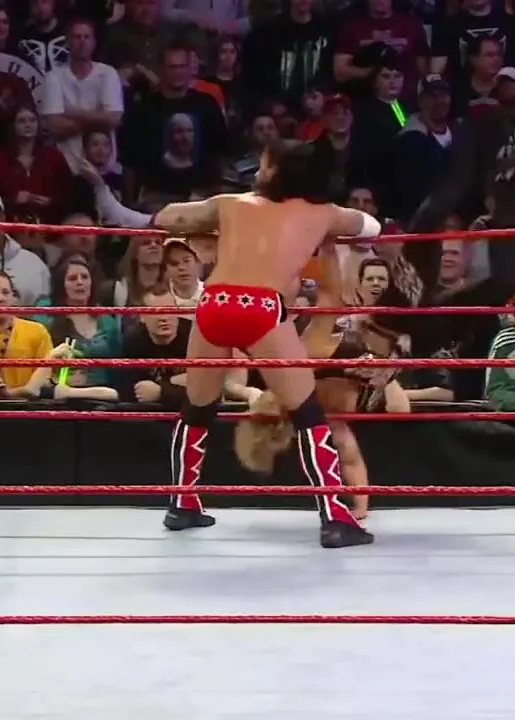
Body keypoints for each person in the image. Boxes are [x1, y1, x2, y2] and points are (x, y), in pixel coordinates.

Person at [153, 139, 380, 548]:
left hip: (214, 301)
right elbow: (371, 227)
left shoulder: (230, 204)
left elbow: (168, 217)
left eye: (263, 162)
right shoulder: (323, 213)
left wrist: (210, 221)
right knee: (308, 414)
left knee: (197, 409)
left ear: (276, 170)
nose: (257, 169)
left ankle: (182, 503)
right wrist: (328, 230)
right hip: (260, 307)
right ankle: (335, 517)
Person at [234, 245, 403, 521]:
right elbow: (350, 454)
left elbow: (332, 298)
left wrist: (329, 248)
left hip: (368, 353)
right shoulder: (321, 406)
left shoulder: (302, 360)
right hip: (375, 363)